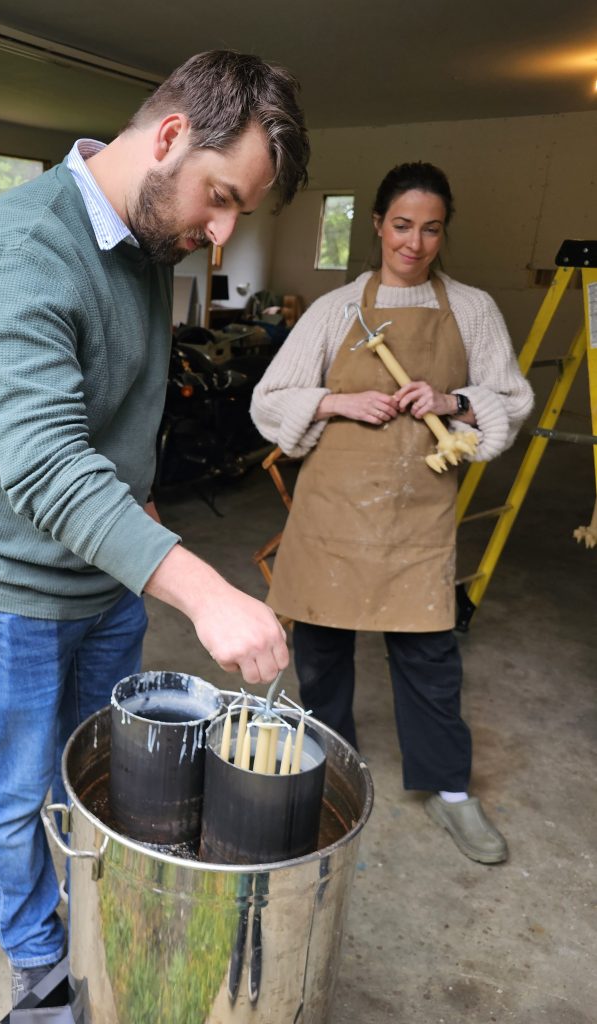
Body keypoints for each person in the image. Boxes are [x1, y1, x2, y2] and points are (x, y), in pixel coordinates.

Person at [0, 50, 309, 1005]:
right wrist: (205, 590)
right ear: (170, 136)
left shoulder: (146, 250)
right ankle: (39, 966)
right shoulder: (19, 248)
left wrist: (140, 525)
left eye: (239, 215)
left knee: (97, 779)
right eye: (219, 198)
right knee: (16, 792)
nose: (220, 235)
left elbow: (115, 432)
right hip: (4, 592)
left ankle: (96, 918)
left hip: (106, 584)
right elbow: (50, 465)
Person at [250, 161, 534, 866]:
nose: (414, 243)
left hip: (417, 511)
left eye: (430, 229)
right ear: (377, 225)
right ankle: (322, 768)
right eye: (401, 225)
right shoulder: (335, 309)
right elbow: (268, 398)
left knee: (428, 653)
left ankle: (449, 792)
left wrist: (452, 402)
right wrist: (335, 401)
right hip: (333, 508)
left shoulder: (470, 308)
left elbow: (513, 397)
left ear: (443, 233)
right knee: (321, 652)